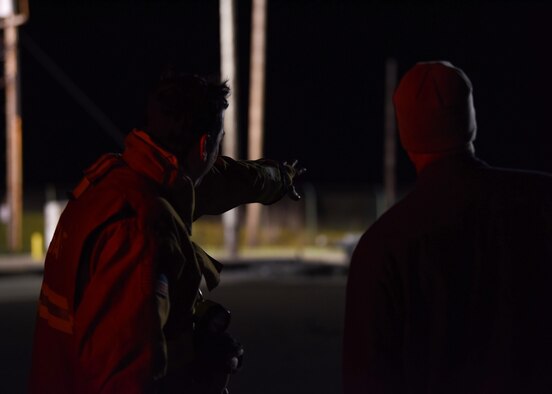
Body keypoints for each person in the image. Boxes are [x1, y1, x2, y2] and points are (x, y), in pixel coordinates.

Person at [30, 71, 304, 393]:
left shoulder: (117, 182)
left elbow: (225, 180)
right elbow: (124, 375)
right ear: (204, 146)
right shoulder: (142, 226)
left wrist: (278, 179)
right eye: (218, 144)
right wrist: (199, 353)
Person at [343, 61, 552, 393]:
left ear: (406, 132)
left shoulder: (383, 245)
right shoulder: (541, 201)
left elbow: (366, 377)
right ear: (470, 121)